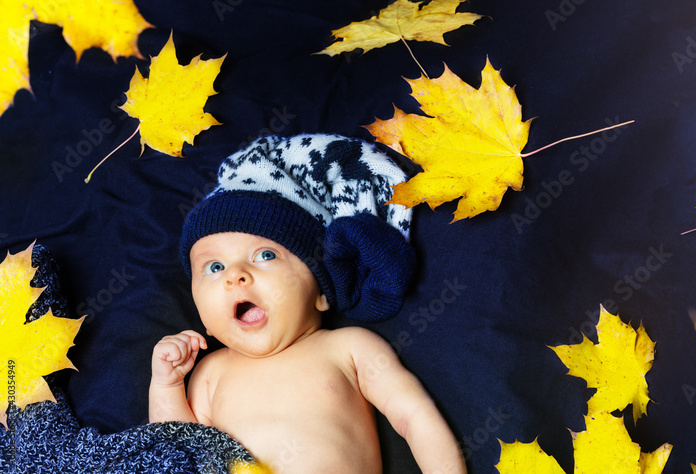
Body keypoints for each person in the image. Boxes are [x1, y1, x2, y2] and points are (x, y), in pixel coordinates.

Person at [149, 134, 465, 473]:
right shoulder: (210, 374)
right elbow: (178, 452)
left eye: (265, 255)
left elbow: (414, 416)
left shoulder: (349, 348)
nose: (235, 275)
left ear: (321, 292)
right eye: (214, 267)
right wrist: (166, 386)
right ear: (205, 320)